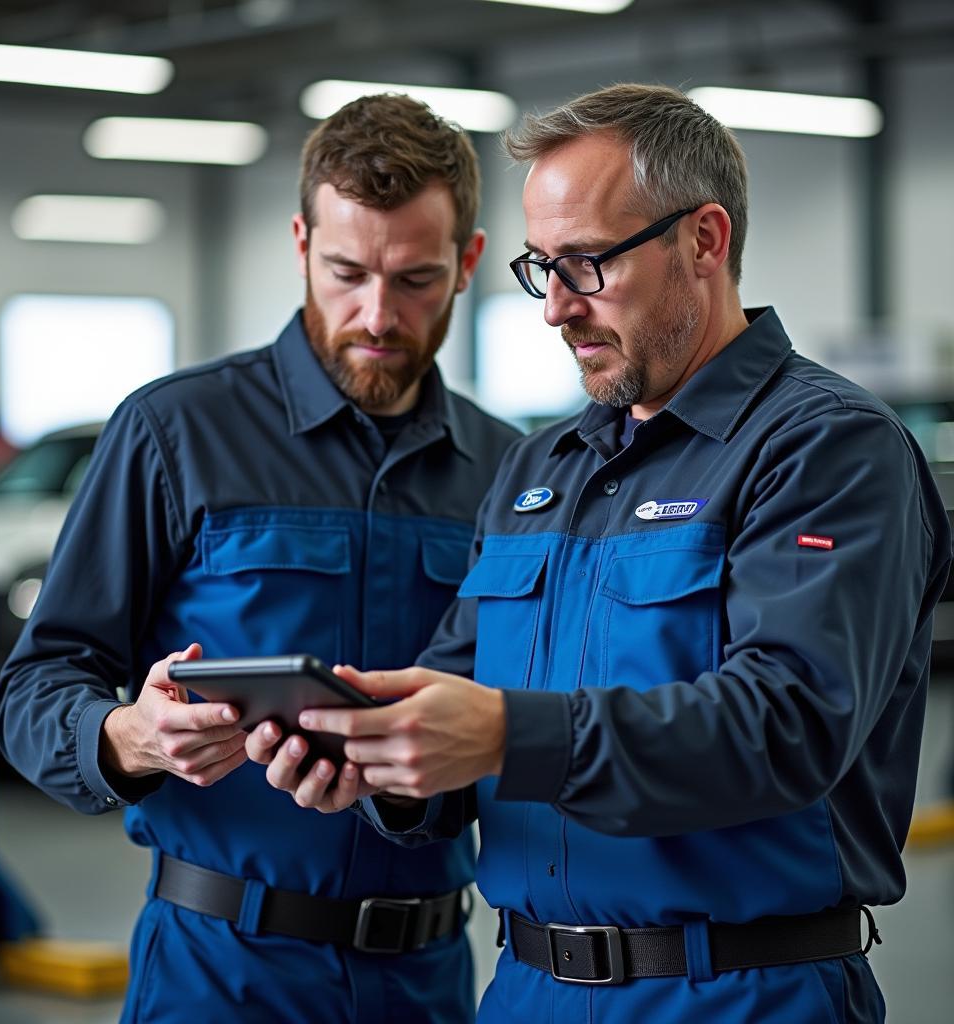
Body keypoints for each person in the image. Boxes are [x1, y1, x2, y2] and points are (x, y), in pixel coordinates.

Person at [252, 84, 953, 1023]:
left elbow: (789, 724)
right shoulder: (541, 468)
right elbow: (455, 696)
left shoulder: (826, 450)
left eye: (587, 265)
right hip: (524, 991)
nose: (555, 310)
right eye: (543, 268)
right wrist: (378, 760)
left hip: (739, 994)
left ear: (704, 240)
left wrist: (505, 732)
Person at [0, 94, 519, 1024]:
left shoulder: (510, 473)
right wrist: (132, 737)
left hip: (429, 981)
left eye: (416, 280)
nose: (378, 314)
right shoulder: (173, 433)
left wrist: (404, 788)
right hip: (220, 977)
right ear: (300, 242)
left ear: (469, 263)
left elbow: (513, 720)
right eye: (347, 271)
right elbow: (37, 687)